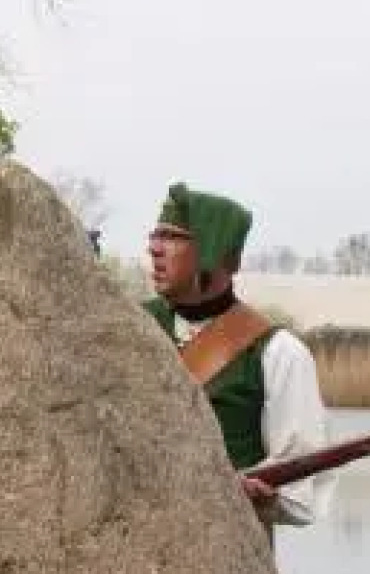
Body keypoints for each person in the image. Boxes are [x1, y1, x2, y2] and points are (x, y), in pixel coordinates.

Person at [142, 181, 334, 533]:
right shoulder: (127, 329)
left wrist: (262, 495)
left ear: (214, 254)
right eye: (155, 235)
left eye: (173, 237)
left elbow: (300, 491)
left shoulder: (279, 354)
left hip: (228, 560)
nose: (154, 248)